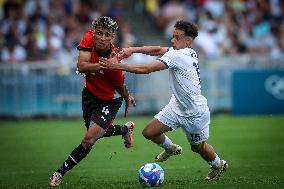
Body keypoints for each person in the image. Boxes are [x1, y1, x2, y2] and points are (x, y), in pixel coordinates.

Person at [99, 20, 228, 180]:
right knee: (149, 132)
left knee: (197, 147)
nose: (172, 40)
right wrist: (132, 50)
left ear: (188, 41)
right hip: (177, 106)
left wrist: (116, 66)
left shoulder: (178, 55)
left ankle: (218, 164)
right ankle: (171, 148)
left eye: (177, 37)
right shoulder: (187, 51)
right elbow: (158, 49)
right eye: (172, 36)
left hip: (195, 113)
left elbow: (146, 69)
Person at [48, 16, 136, 187]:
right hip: (89, 95)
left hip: (109, 100)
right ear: (94, 32)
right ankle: (125, 129)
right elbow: (81, 66)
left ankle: (59, 172)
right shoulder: (88, 38)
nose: (102, 38)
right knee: (97, 132)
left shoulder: (114, 62)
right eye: (100, 33)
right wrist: (102, 66)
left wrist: (127, 98)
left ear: (113, 37)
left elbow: (120, 86)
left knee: (89, 139)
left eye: (107, 35)